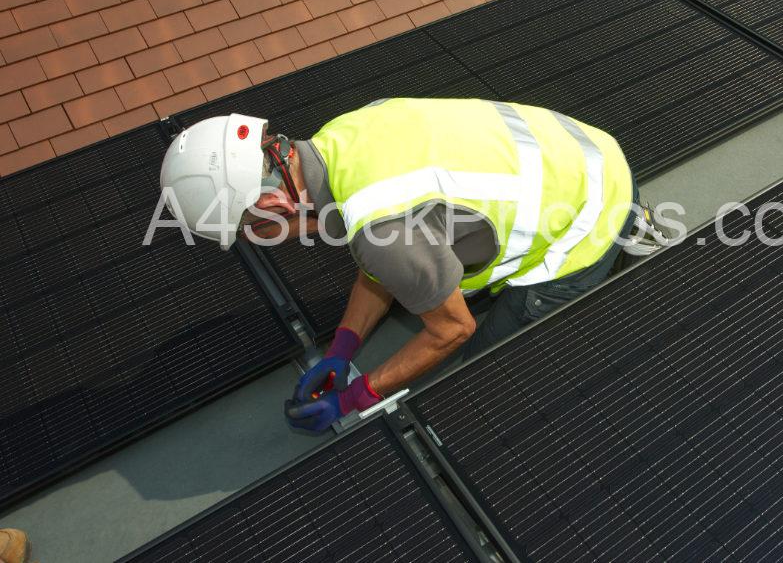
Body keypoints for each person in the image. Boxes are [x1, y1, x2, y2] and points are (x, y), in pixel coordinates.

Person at [159, 98, 657, 433]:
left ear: (275, 207)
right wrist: (342, 348)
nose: (262, 242)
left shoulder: (379, 229)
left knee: (479, 365)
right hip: (583, 144)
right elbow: (383, 255)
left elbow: (450, 330)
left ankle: (621, 234)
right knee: (425, 265)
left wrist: (355, 397)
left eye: (254, 231)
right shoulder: (342, 137)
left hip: (590, 211)